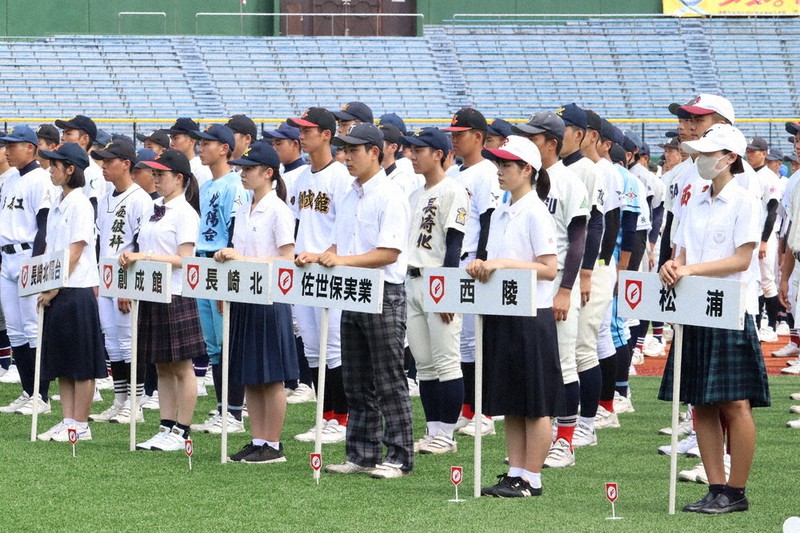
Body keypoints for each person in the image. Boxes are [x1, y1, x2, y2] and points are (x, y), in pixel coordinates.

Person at [659, 124, 769, 514]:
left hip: (731, 307)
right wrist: (674, 266)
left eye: (710, 153)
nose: (701, 159)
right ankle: (715, 485)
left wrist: (689, 270)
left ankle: (735, 490)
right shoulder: (694, 200)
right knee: (700, 403)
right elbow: (682, 253)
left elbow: (742, 259)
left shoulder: (745, 200)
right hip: (694, 307)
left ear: (730, 158)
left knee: (735, 403)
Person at [306, 123, 414, 479]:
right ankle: (362, 453)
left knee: (388, 379)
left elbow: (389, 252)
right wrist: (320, 255)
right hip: (352, 290)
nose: (347, 156)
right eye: (345, 150)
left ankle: (399, 456)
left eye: (354, 150)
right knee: (356, 379)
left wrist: (341, 260)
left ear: (375, 151)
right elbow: (341, 244)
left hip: (383, 292)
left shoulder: (391, 194)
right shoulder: (350, 194)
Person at [468, 135, 564, 498]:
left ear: (528, 170)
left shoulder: (536, 211)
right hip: (503, 311)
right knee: (511, 401)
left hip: (531, 314)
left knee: (535, 404)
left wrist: (502, 264)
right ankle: (515, 471)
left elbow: (549, 268)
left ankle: (532, 478)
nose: (499, 172)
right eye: (498, 165)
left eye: (507, 165)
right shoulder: (502, 211)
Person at [514, 111, 589, 467]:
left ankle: (566, 440)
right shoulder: (522, 181)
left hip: (554, 287)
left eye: (534, 137)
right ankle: (534, 445)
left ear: (552, 143)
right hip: (522, 292)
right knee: (533, 370)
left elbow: (577, 240)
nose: (528, 142)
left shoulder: (568, 181)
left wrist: (566, 289)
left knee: (564, 364)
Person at [215, 142, 298, 463]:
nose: (242, 174)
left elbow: (286, 259)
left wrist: (243, 258)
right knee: (251, 372)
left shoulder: (278, 209)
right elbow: (237, 253)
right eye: (241, 169)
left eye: (248, 169)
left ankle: (274, 444)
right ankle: (258, 438)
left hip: (270, 298)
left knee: (271, 374)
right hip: (245, 295)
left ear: (268, 173)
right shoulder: (244, 207)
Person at [120, 149, 205, 452]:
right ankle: (165, 426)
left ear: (179, 178)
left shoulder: (186, 212)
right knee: (161, 366)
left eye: (161, 174)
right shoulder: (153, 207)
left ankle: (182, 430)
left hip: (176, 293)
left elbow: (186, 260)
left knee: (182, 366)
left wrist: (146, 257)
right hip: (151, 292)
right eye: (154, 173)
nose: (155, 179)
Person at [400, 127, 469, 455]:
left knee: (446, 361)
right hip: (412, 280)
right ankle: (433, 431)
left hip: (437, 281)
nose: (413, 156)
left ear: (438, 154)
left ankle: (447, 435)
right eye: (412, 150)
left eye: (419, 150)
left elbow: (454, 245)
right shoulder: (415, 194)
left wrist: (448, 291)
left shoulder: (453, 190)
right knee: (424, 363)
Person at [286, 107, 351, 444]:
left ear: (327, 135)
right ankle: (324, 415)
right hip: (302, 269)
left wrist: (331, 255)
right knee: (312, 348)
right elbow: (298, 222)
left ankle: (341, 419)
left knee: (334, 347)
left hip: (330, 269)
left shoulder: (342, 177)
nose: (302, 134)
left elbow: (345, 226)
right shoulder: (299, 178)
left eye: (308, 129)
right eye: (301, 129)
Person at [34, 143, 106, 442]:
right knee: (63, 360)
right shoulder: (58, 204)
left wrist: (52, 288)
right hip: (57, 290)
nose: (50, 169)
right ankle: (67, 420)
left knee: (80, 362)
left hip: (75, 290)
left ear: (70, 169)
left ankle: (81, 423)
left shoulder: (80, 204)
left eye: (56, 165)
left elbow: (75, 251)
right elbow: (52, 251)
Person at [443, 107, 501, 438]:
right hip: (457, 261)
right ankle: (469, 409)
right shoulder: (455, 175)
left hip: (476, 264)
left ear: (478, 137)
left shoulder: (488, 172)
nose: (454, 137)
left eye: (460, 133)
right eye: (452, 133)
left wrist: (483, 258)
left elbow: (490, 219)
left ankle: (487, 412)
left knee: (478, 341)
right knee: (464, 344)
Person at [187, 124, 248, 434]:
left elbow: (235, 231)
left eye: (208, 143)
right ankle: (223, 409)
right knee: (212, 344)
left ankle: (235, 413)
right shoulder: (208, 184)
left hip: (222, 263)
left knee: (228, 341)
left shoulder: (235, 184)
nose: (202, 147)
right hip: (203, 261)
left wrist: (230, 280)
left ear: (225, 148)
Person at [89, 140, 154, 425]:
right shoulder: (105, 198)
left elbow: (140, 244)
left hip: (127, 278)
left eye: (109, 160)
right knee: (113, 342)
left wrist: (127, 286)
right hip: (105, 275)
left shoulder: (141, 199)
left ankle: (136, 404)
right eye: (102, 160)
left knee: (129, 342)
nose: (104, 165)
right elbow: (100, 242)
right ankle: (119, 400)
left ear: (126, 163)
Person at [0, 126, 55, 416]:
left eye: (14, 145)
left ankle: (42, 396)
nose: (7, 150)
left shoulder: (40, 179)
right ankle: (27, 390)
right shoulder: (10, 181)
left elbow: (44, 225)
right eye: (6, 145)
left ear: (31, 148)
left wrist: (35, 264)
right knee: (16, 331)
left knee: (33, 330)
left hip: (27, 258)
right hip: (7, 258)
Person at [262, 121, 315, 405]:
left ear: (295, 144)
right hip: (293, 255)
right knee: (296, 323)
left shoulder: (304, 173)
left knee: (302, 324)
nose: (275, 147)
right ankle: (295, 379)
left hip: (303, 256)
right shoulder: (285, 175)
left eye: (279, 142)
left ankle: (305, 381)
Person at [164, 117, 212, 187]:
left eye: (175, 138)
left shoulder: (200, 170)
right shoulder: (174, 167)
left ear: (191, 141)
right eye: (171, 138)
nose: (171, 143)